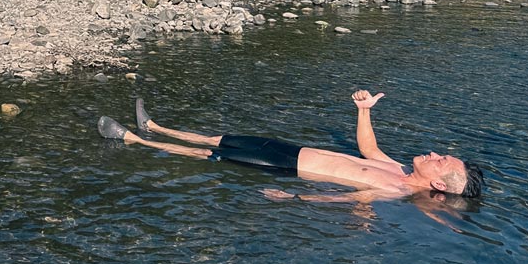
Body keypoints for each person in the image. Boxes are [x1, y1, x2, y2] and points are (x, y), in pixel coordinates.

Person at [97, 90, 484, 203]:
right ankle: (156, 125)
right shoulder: (398, 167)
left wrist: (293, 198)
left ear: (438, 184)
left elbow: (346, 201)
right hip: (293, 149)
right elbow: (368, 149)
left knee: (215, 155)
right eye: (438, 153)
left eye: (439, 160)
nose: (433, 154)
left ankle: (129, 138)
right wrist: (364, 111)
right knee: (225, 138)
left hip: (287, 169)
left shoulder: (395, 189)